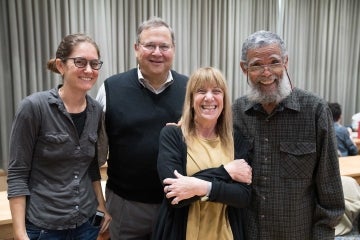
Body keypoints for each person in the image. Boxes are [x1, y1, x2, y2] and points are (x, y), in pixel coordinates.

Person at [232, 30, 345, 239]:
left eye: (274, 62)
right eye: (256, 65)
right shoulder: (236, 113)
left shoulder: (315, 111)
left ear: (286, 62)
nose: (266, 73)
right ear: (244, 68)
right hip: (247, 233)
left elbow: (330, 192)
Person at [7, 33, 111, 240]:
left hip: (87, 223)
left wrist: (102, 207)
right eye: (80, 62)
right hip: (45, 227)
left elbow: (90, 167)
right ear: (61, 65)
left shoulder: (96, 110)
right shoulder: (34, 107)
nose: (89, 70)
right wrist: (20, 234)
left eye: (94, 63)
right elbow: (18, 173)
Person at [96, 17, 188, 239]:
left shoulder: (191, 89)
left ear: (173, 50)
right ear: (137, 48)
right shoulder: (110, 88)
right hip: (126, 206)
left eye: (164, 46)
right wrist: (99, 204)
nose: (157, 52)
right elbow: (95, 155)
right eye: (150, 45)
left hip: (177, 204)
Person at [152, 67, 252, 240]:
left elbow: (243, 196)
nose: (209, 97)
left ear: (224, 99)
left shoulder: (236, 139)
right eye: (201, 91)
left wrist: (200, 187)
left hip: (226, 234)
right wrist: (226, 172)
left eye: (216, 91)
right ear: (191, 99)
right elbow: (175, 196)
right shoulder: (173, 135)